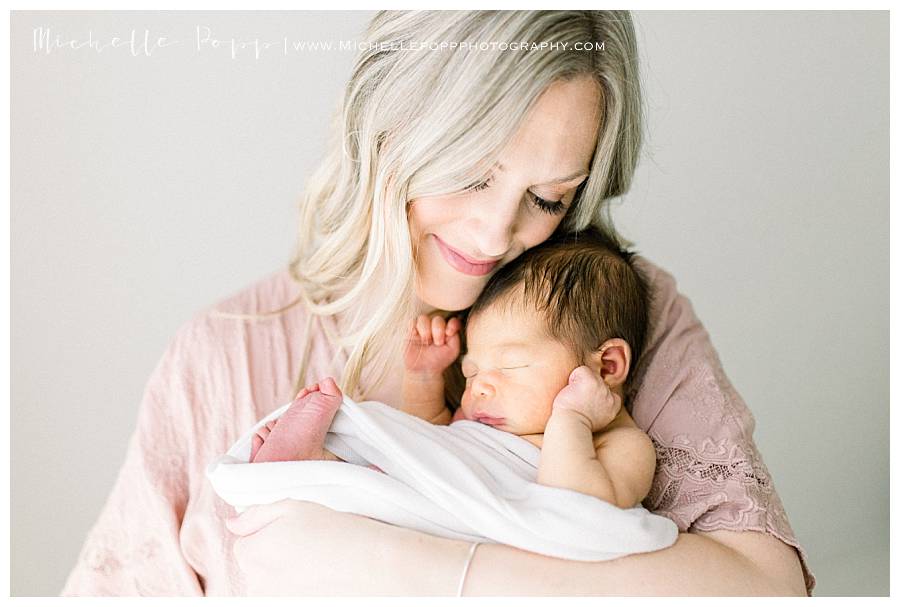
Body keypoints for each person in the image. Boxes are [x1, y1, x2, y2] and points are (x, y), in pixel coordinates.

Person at [61, 10, 816, 596]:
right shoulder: (223, 356)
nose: (496, 233)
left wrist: (414, 567)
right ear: (388, 127)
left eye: (548, 197)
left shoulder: (618, 325)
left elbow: (765, 589)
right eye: (472, 172)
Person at [249, 228, 658, 512]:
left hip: (464, 527)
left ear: (606, 366)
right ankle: (313, 465)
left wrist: (573, 418)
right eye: (472, 372)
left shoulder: (621, 445)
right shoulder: (488, 422)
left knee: (386, 502)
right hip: (430, 488)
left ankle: (312, 472)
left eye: (510, 365)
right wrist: (425, 378)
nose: (478, 388)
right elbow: (429, 436)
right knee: (390, 469)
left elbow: (580, 509)